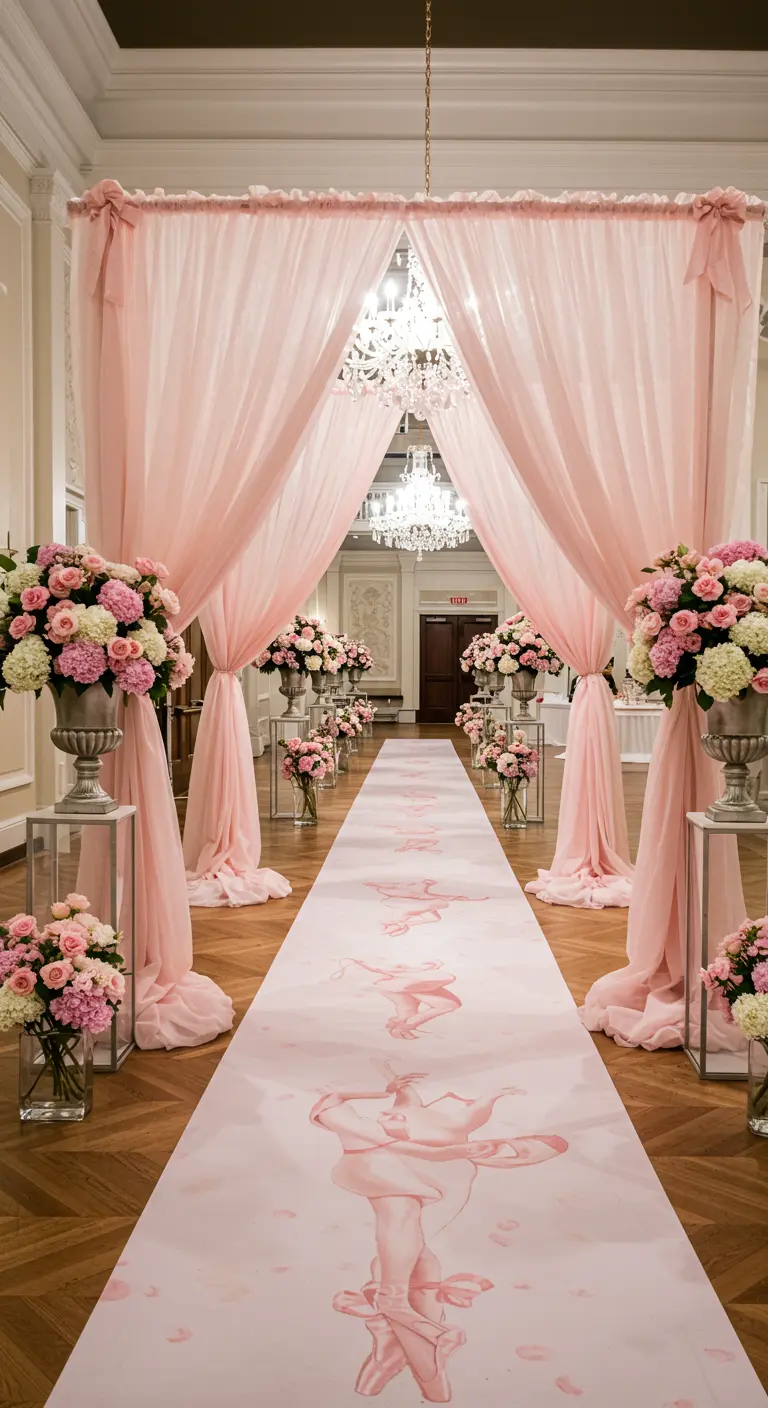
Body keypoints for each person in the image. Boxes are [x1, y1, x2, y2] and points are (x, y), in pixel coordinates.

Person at [311, 1070, 567, 1401]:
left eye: (519, 1158)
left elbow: (426, 1227)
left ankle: (394, 1354)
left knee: (420, 1268)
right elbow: (463, 1114)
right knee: (414, 1256)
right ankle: (420, 1351)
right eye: (516, 1146)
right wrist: (490, 1095)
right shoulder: (453, 1133)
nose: (506, 1152)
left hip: (401, 1228)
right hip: (382, 1181)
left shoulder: (460, 1171)